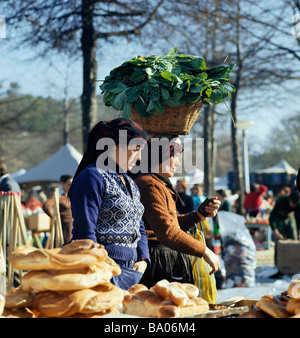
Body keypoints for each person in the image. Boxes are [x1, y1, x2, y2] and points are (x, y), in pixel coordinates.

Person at [68, 118, 150, 290]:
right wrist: (99, 268)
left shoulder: (130, 182)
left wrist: (143, 258)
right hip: (102, 270)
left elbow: (139, 224)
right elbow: (85, 231)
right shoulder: (92, 177)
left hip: (131, 270)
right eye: (136, 149)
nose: (140, 157)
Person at [133, 136, 221, 288]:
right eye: (175, 157)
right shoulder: (148, 184)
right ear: (160, 155)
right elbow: (167, 232)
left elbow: (172, 224)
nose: (178, 163)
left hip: (165, 259)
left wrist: (199, 214)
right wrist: (205, 251)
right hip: (158, 262)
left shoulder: (157, 183)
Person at [269, 190, 300, 264]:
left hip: (290, 218)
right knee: (279, 241)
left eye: (296, 204)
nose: (294, 205)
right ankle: (278, 264)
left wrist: (299, 231)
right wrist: (275, 230)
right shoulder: (281, 200)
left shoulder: (298, 203)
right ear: (289, 199)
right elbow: (272, 217)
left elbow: (299, 218)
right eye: (293, 203)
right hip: (279, 218)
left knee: (294, 240)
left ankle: (294, 264)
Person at [43, 175, 74, 244]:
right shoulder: (59, 197)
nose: (71, 186)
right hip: (64, 228)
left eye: (72, 184)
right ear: (63, 184)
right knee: (65, 248)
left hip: (74, 227)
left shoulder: (73, 197)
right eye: (69, 184)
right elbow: (46, 205)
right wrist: (54, 217)